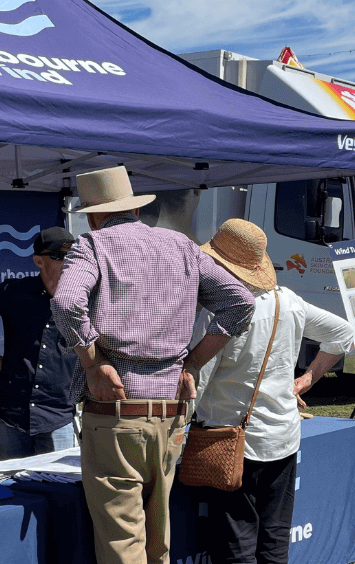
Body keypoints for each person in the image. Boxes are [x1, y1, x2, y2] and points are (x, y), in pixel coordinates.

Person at [51, 167, 255, 564]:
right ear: (133, 209)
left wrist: (92, 363)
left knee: (121, 543)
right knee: (158, 539)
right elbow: (240, 303)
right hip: (170, 412)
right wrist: (192, 363)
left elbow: (65, 302)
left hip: (115, 410)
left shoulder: (92, 245)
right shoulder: (180, 245)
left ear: (93, 215)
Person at [186, 219, 355, 564]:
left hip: (230, 439)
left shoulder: (220, 313)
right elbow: (342, 333)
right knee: (275, 537)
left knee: (236, 543)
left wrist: (174, 431)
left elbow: (196, 382)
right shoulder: (287, 300)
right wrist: (307, 379)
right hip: (282, 434)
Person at [0, 227, 79, 459]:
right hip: (9, 417)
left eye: (75, 255)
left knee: (61, 491)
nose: (70, 262)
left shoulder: (84, 299)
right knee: (7, 490)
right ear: (39, 261)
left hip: (57, 418)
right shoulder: (15, 292)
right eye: (61, 256)